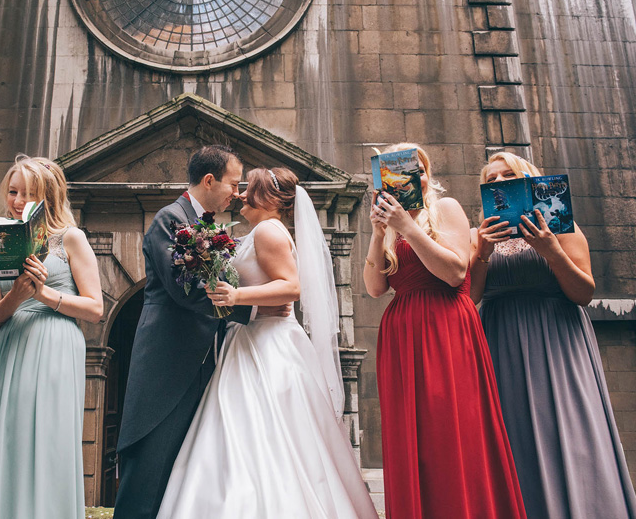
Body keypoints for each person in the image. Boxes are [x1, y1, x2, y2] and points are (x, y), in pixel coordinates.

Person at [157, 167, 379, 519]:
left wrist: (235, 295)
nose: (241, 196)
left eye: (249, 189)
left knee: (264, 433)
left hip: (268, 344)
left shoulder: (267, 231)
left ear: (270, 200)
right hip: (250, 340)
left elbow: (291, 287)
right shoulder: (262, 231)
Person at [114, 145, 287, 519]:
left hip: (207, 365)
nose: (238, 193)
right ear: (209, 180)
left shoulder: (210, 226)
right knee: (148, 466)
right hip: (167, 362)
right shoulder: (169, 220)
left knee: (182, 476)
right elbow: (185, 291)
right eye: (233, 183)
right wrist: (253, 308)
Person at [363, 143, 525, 519]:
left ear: (425, 173)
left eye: (415, 168)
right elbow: (374, 287)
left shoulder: (444, 210)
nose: (409, 177)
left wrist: (406, 226)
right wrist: (378, 231)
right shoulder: (389, 224)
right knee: (412, 438)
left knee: (452, 431)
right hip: (402, 333)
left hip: (444, 326)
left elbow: (454, 273)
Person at [471, 152, 636, 518]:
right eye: (491, 178)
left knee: (571, 430)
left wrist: (551, 250)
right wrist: (481, 253)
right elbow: (469, 300)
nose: (498, 182)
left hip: (557, 342)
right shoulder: (476, 236)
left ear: (528, 180)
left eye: (507, 175)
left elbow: (583, 292)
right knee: (511, 440)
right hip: (499, 342)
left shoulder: (563, 226)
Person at [0, 155, 103, 519]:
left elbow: (95, 309)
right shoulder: (3, 238)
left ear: (50, 195)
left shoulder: (71, 239)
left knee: (42, 438)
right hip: (8, 344)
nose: (17, 202)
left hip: (55, 344)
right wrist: (16, 295)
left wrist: (43, 293)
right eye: (13, 192)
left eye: (29, 194)